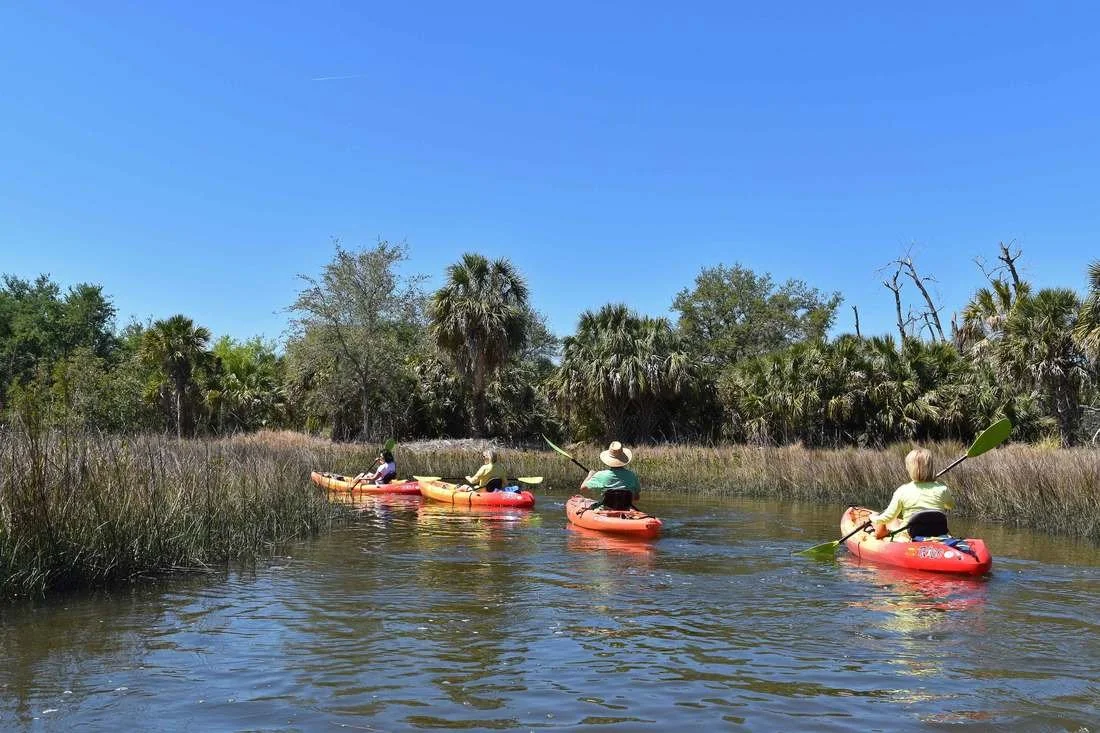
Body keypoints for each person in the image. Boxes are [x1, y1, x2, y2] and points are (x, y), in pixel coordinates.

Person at [869, 448, 954, 540]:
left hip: (909, 537)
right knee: (895, 521)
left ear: (909, 468)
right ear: (931, 467)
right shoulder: (942, 488)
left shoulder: (902, 491)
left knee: (891, 522)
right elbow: (950, 506)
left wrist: (873, 518)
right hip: (938, 535)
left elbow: (888, 518)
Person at [581, 441, 640, 509]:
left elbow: (583, 489)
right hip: (625, 510)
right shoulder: (632, 475)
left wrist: (590, 475)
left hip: (605, 511)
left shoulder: (600, 475)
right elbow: (636, 498)